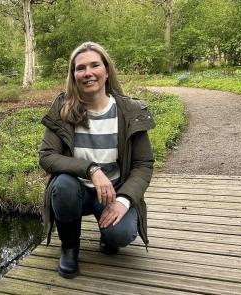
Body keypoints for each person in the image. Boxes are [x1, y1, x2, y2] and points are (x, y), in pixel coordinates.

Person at [38, 41, 155, 279]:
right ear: (73, 75)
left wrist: (123, 201)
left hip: (114, 191)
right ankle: (69, 248)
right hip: (76, 191)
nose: (88, 73)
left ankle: (108, 236)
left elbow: (143, 165)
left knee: (121, 235)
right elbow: (47, 156)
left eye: (94, 65)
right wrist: (91, 169)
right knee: (62, 186)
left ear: (107, 70)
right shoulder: (63, 109)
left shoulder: (129, 111)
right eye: (80, 68)